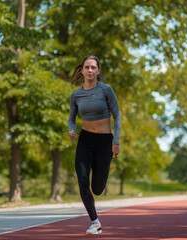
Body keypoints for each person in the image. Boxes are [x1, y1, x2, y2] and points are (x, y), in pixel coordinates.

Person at [68, 55, 121, 235]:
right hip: (85, 140)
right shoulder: (76, 94)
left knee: (97, 189)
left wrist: (116, 142)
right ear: (82, 70)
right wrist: (72, 130)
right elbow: (72, 118)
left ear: (98, 71)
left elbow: (117, 115)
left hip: (105, 142)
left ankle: (96, 208)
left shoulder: (106, 90)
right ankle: (95, 222)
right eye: (87, 67)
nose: (90, 70)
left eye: (93, 67)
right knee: (82, 180)